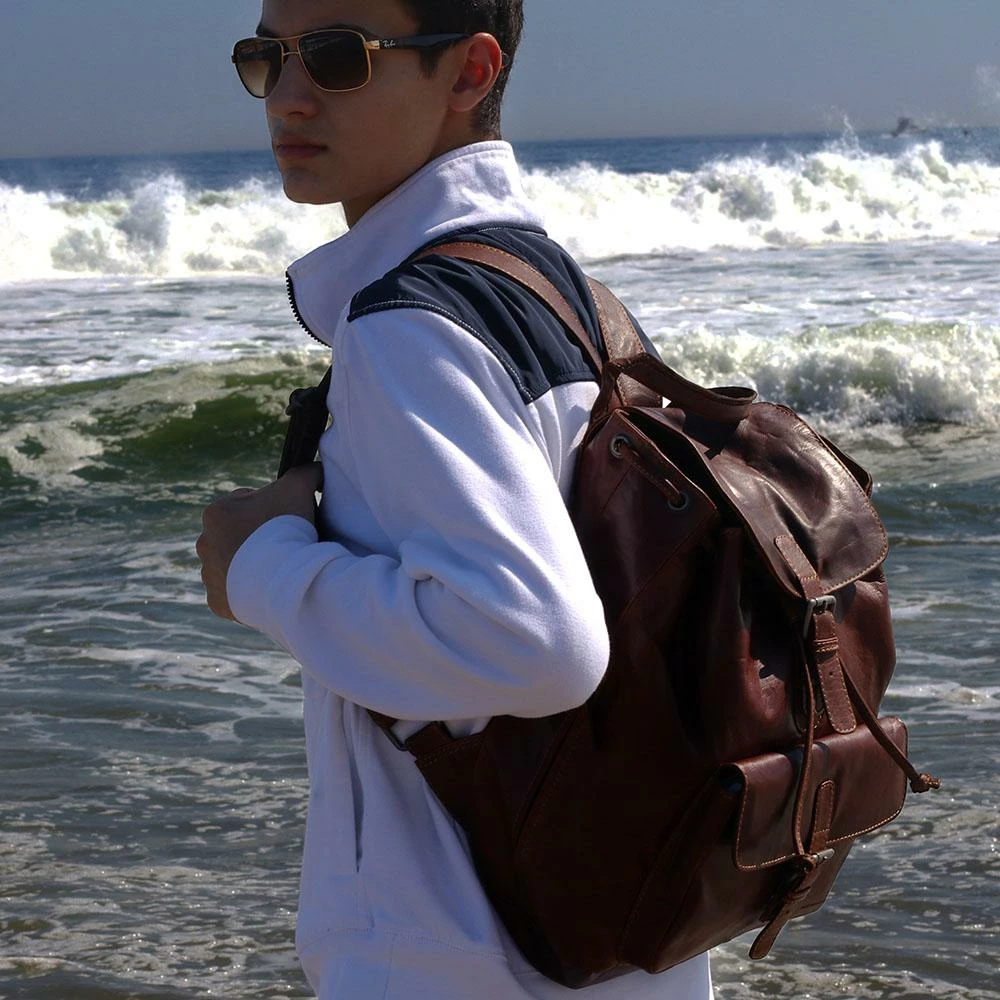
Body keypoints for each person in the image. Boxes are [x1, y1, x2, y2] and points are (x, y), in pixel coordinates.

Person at [197, 1, 713, 996]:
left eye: (337, 56)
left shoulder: (410, 325)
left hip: (453, 953)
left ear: (470, 72)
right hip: (617, 934)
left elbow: (536, 641)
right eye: (266, 56)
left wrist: (258, 566)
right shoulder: (564, 292)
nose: (288, 96)